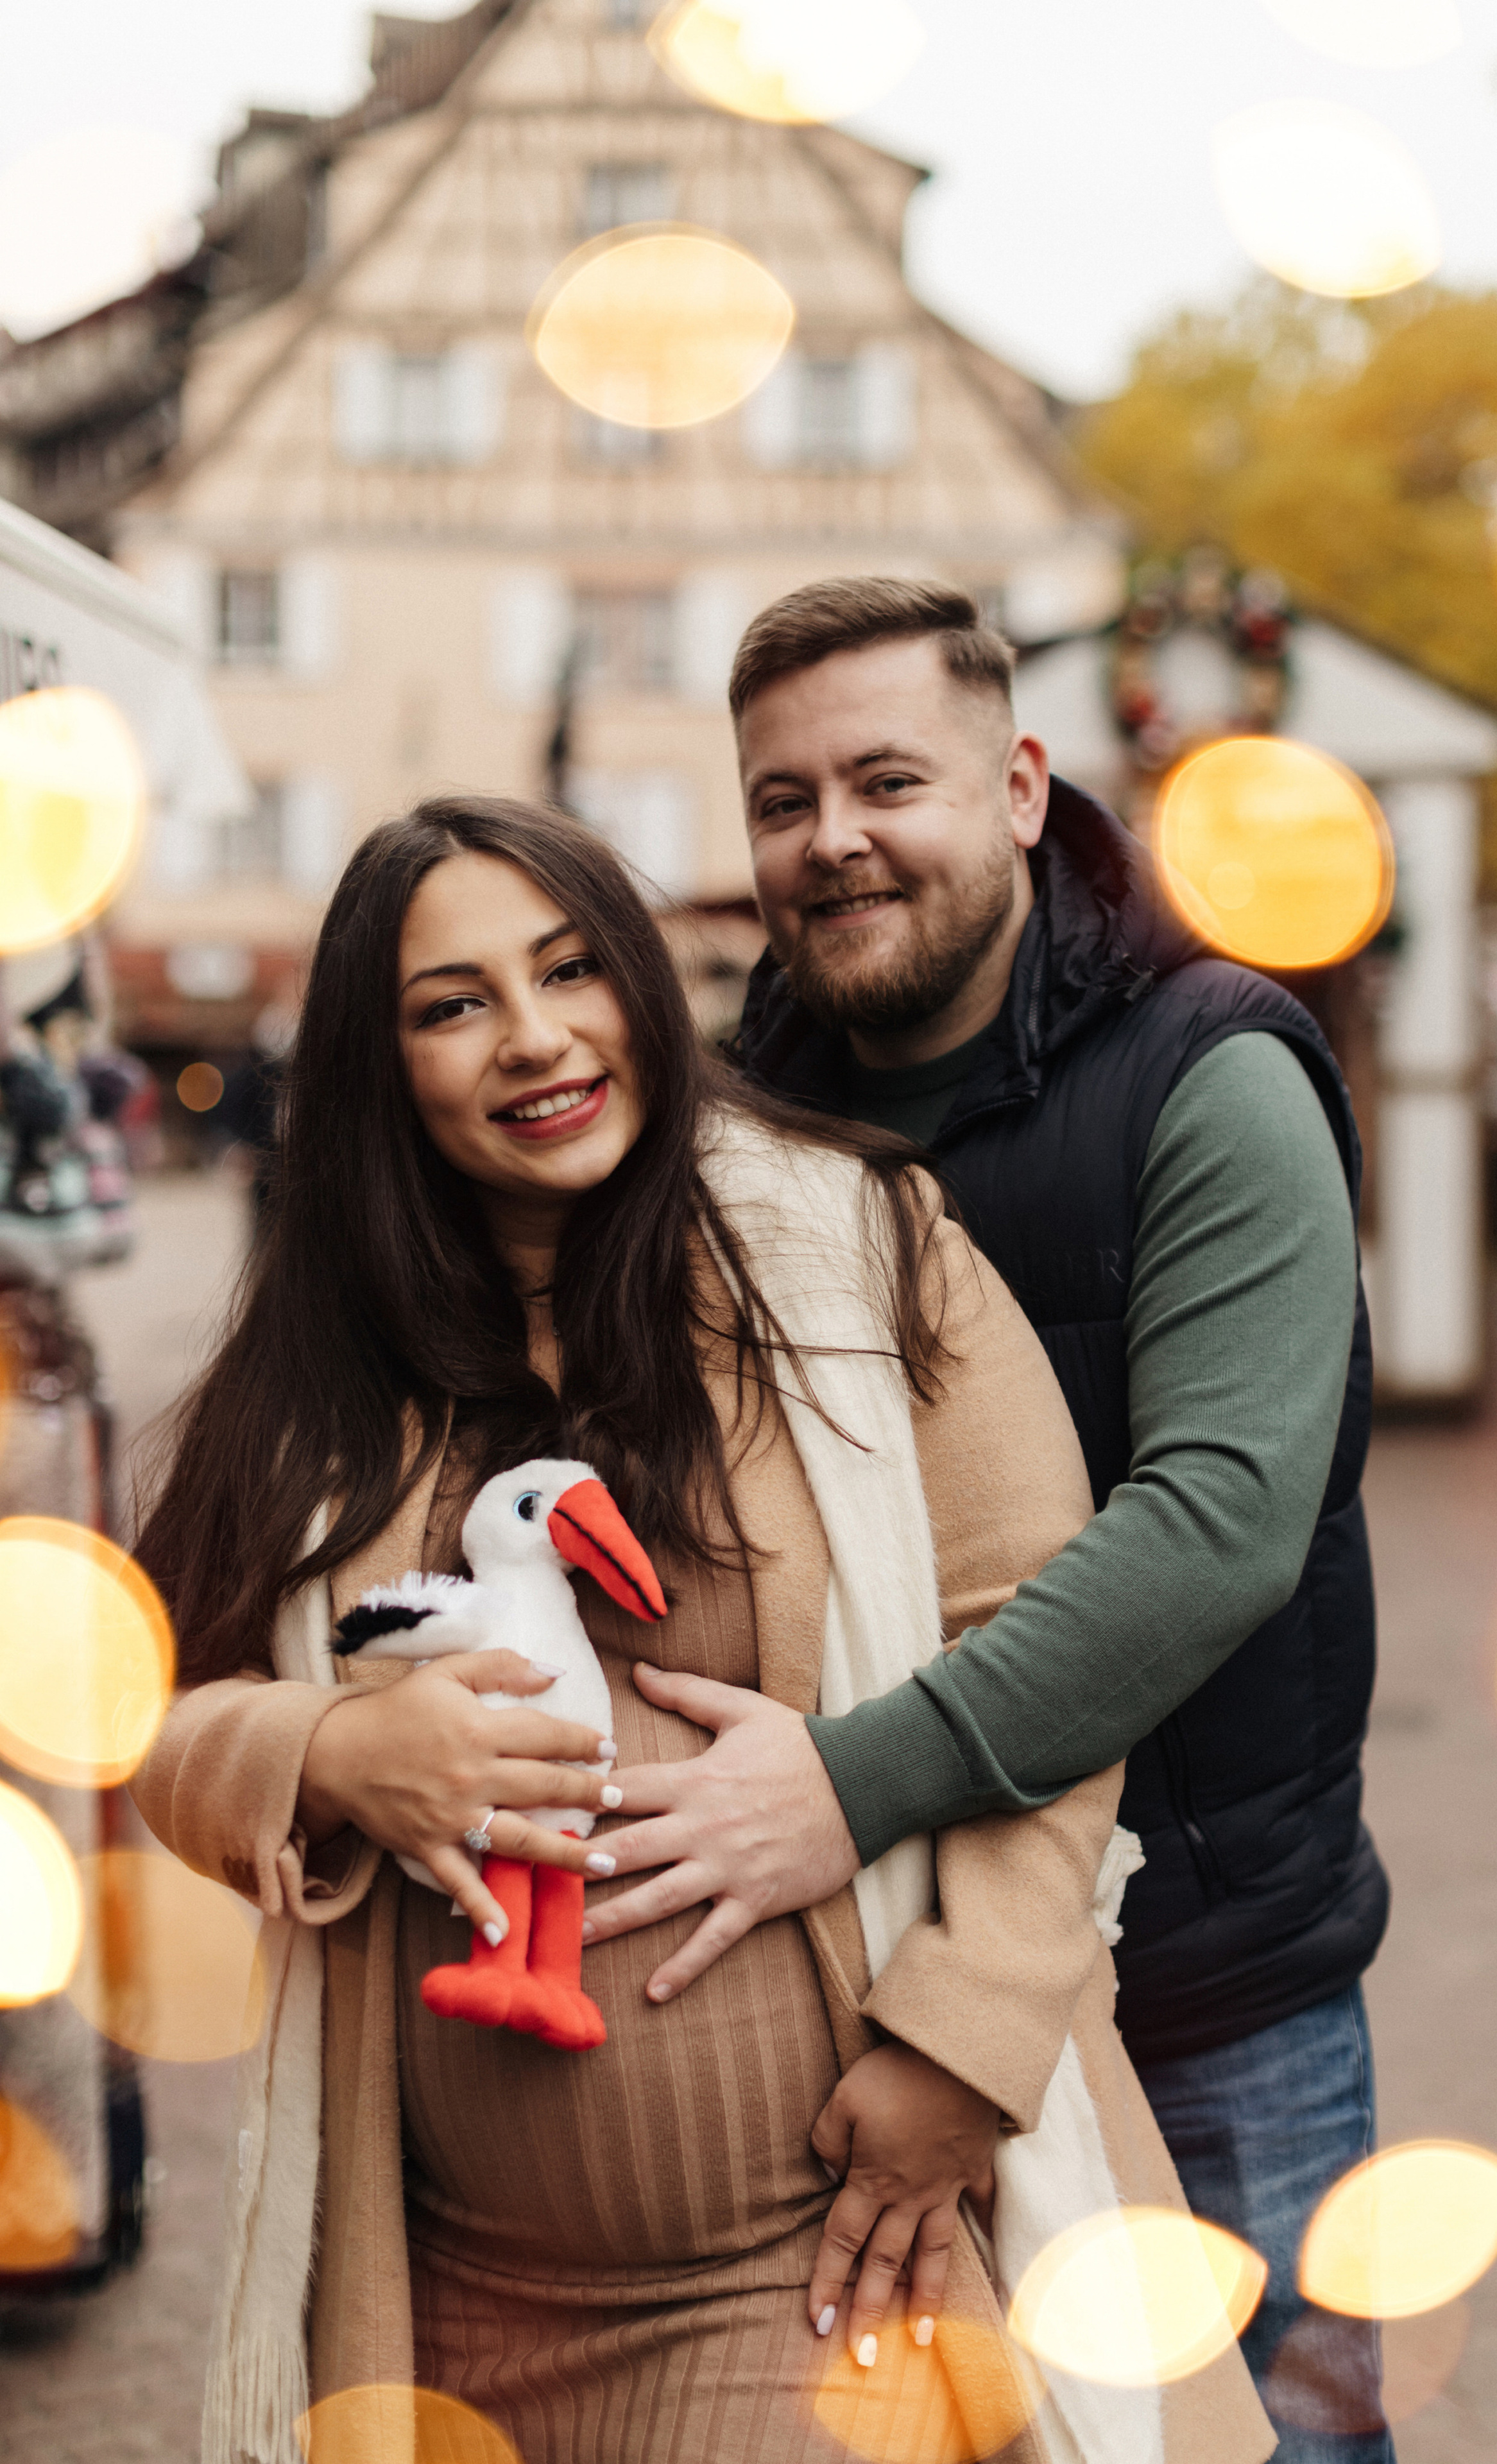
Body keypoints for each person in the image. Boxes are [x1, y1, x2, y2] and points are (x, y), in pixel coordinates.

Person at [130, 795, 1272, 2464]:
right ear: (385, 1069)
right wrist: (328, 1749)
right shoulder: (321, 1371)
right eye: (453, 1006)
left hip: (809, 2272)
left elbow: (1046, 1646)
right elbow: (146, 1716)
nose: (534, 1039)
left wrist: (970, 2040)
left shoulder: (860, 1259)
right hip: (442, 2312)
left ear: (646, 986)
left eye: (572, 970)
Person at [581, 580, 1390, 2458]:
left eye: (888, 781)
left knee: (1266, 2443)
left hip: (1206, 1989)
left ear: (1022, 786)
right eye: (783, 801)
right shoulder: (730, 1129)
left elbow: (1215, 1532)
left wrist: (848, 1783)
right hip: (851, 1992)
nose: (832, 840)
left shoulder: (1216, 1072)